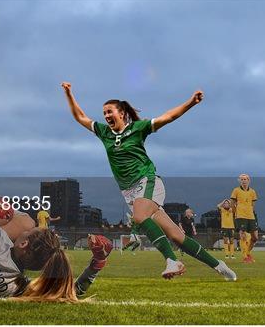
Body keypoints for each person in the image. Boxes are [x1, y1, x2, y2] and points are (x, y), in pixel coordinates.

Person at [61, 81, 236, 281]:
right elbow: (80, 117)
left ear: (122, 113)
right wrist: (69, 93)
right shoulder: (105, 132)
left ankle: (171, 261)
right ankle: (220, 266)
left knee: (139, 216)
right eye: (104, 113)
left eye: (110, 111)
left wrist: (191, 103)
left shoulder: (138, 128)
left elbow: (168, 117)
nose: (107, 116)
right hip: (129, 192)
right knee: (177, 237)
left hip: (147, 181)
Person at [230, 174, 258, 263]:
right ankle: (245, 257)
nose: (243, 181)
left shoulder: (252, 192)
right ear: (239, 181)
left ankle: (248, 252)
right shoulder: (236, 190)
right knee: (243, 235)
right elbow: (232, 203)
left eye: (245, 179)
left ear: (248, 180)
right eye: (242, 179)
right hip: (240, 216)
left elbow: (253, 205)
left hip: (251, 216)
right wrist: (236, 213)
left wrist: (251, 212)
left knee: (255, 237)